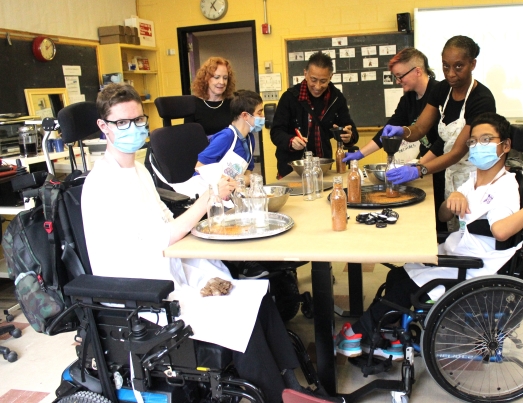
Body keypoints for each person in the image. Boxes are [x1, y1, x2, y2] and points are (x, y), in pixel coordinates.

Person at [82, 83, 341, 403]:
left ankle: (296, 387)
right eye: (123, 123)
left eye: (139, 121)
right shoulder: (102, 184)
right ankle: (277, 397)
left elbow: (165, 219)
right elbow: (159, 238)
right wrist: (206, 200)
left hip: (171, 269)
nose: (134, 129)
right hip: (143, 293)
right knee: (236, 310)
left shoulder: (137, 169)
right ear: (103, 127)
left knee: (256, 294)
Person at [336, 113, 523, 360]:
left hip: (475, 265)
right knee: (397, 275)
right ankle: (391, 334)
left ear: (505, 145)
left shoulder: (506, 186)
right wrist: (453, 200)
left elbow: (500, 230)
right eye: (472, 142)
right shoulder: (474, 179)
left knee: (404, 285)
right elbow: (441, 215)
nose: (477, 146)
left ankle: (357, 334)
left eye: (486, 139)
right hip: (461, 250)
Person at [383, 36, 496, 230]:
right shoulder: (442, 90)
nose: (451, 74)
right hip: (449, 172)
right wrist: (402, 131)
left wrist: (420, 169)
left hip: (473, 175)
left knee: (469, 229)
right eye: (445, 66)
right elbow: (419, 129)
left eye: (458, 67)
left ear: (472, 64)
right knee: (449, 226)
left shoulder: (481, 99)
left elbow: (457, 151)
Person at [342, 47, 438, 165]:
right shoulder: (408, 99)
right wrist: (360, 154)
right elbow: (388, 130)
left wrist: (420, 166)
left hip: (442, 163)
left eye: (400, 76)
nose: (397, 81)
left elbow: (443, 142)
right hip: (427, 164)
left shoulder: (439, 93)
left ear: (417, 72)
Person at [270, 52, 359, 178]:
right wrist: (291, 141)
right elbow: (276, 132)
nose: (317, 86)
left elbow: (350, 129)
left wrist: (349, 137)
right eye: (313, 80)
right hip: (292, 170)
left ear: (330, 77)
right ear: (305, 73)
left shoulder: (337, 98)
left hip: (323, 169)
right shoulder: (289, 97)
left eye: (323, 81)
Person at [195, 90, 264, 187]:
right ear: (245, 115)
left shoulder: (250, 139)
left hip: (230, 192)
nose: (263, 117)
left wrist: (247, 179)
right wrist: (231, 182)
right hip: (207, 191)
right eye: (259, 113)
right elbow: (200, 167)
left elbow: (248, 170)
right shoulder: (226, 137)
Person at [186, 57, 236, 137]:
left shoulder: (233, 103)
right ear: (206, 79)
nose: (222, 82)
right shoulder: (193, 105)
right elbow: (188, 137)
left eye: (225, 78)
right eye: (216, 77)